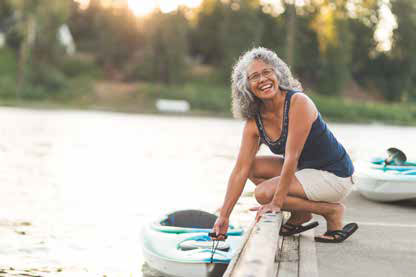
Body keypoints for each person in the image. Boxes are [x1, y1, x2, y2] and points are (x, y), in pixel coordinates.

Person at [212, 47, 358, 243]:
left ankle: (331, 211)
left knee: (263, 193)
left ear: (277, 74)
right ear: (245, 86)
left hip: (334, 175)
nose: (262, 79)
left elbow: (291, 157)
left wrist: (276, 203)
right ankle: (301, 215)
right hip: (305, 171)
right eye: (254, 76)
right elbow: (240, 170)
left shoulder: (298, 102)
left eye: (267, 72)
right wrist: (224, 215)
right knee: (251, 167)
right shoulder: (254, 122)